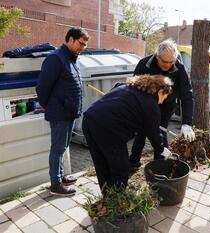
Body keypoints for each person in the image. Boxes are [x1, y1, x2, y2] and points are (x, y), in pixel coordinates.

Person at [82, 75, 173, 192]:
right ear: (160, 91)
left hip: (89, 120)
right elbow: (154, 133)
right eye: (164, 97)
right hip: (108, 130)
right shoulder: (151, 104)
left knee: (102, 164)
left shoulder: (125, 87)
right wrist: (161, 149)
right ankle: (117, 201)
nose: (162, 102)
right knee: (122, 169)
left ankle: (108, 196)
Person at [36, 27, 90, 196]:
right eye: (81, 43)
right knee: (57, 148)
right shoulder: (55, 59)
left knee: (63, 146)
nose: (82, 48)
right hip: (60, 113)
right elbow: (42, 87)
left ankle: (60, 177)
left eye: (85, 45)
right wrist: (49, 105)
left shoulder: (73, 59)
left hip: (69, 112)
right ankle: (55, 184)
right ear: (71, 40)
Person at [129, 39, 195, 168]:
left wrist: (187, 123)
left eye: (171, 62)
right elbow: (134, 86)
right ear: (156, 56)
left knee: (161, 131)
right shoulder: (144, 64)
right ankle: (133, 161)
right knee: (142, 131)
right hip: (146, 104)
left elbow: (187, 95)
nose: (168, 65)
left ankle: (159, 165)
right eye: (164, 61)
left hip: (167, 105)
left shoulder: (179, 68)